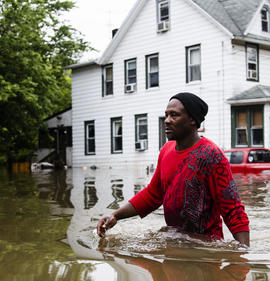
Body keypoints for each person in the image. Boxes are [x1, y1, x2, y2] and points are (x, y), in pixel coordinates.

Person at [97, 92, 250, 246]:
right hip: (174, 240)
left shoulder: (212, 156)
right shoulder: (166, 150)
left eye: (174, 115)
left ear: (192, 120)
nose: (167, 121)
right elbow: (153, 194)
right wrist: (115, 215)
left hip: (205, 249)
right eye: (166, 115)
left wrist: (244, 255)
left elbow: (233, 210)